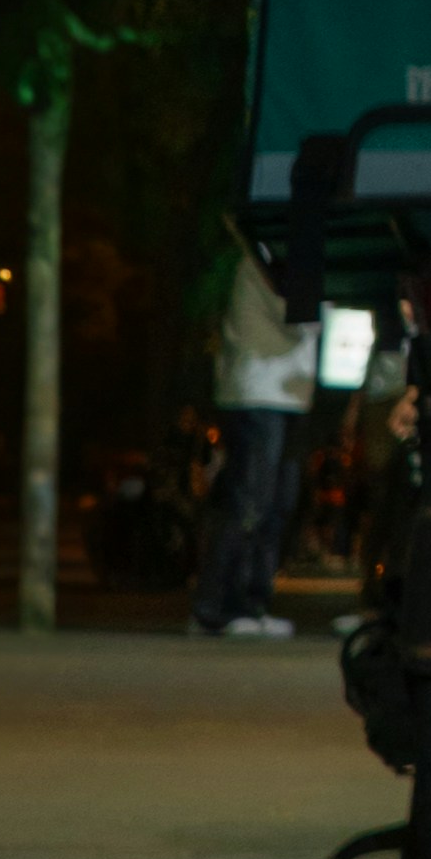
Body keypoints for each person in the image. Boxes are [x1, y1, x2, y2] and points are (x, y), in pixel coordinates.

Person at [187, 241, 315, 640]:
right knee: (251, 501)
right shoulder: (261, 259)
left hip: (289, 395)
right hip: (259, 392)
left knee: (277, 502)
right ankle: (215, 608)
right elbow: (298, 317)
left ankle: (253, 604)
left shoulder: (285, 258)